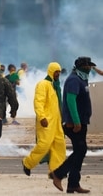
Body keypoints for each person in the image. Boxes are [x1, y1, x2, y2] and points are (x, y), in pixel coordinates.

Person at [51, 57, 97, 193]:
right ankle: (58, 174)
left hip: (81, 121)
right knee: (81, 150)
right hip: (74, 123)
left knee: (80, 151)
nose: (90, 68)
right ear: (82, 66)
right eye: (88, 66)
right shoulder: (73, 80)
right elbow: (71, 101)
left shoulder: (82, 79)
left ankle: (73, 184)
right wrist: (76, 121)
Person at [21, 62, 66, 189]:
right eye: (56, 71)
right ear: (51, 71)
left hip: (56, 123)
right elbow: (38, 102)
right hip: (45, 122)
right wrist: (41, 117)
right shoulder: (43, 84)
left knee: (59, 146)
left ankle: (55, 173)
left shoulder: (56, 86)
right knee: (44, 145)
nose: (58, 74)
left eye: (59, 72)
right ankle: (27, 163)